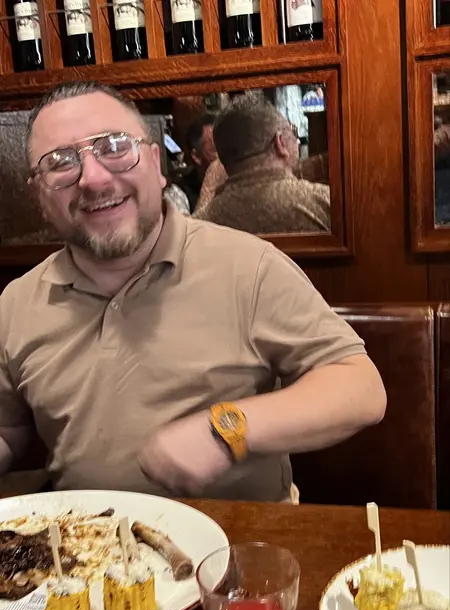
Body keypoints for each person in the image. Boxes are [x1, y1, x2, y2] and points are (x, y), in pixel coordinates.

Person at [0, 81, 386, 502]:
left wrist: (223, 430)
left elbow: (360, 388)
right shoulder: (15, 304)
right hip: (84, 538)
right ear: (38, 194)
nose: (93, 178)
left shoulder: (248, 266)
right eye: (60, 162)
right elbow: (7, 431)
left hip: (243, 534)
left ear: (155, 163)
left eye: (115, 147)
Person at [194, 94, 331, 234]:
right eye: (292, 131)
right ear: (280, 142)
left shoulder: (202, 224)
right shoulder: (325, 202)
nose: (296, 140)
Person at [177, 112, 218, 211]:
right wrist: (209, 187)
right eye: (217, 149)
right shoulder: (179, 193)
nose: (227, 155)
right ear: (196, 156)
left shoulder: (240, 182)